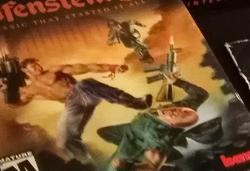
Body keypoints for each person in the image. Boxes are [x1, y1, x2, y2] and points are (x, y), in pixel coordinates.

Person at [10, 58, 149, 162]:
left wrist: (112, 67)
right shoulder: (29, 90)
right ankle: (88, 163)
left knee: (84, 83)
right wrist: (6, 89)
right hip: (72, 104)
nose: (37, 67)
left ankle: (135, 102)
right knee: (64, 139)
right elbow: (16, 103)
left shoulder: (55, 71)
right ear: (25, 71)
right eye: (32, 66)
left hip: (83, 92)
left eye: (37, 64)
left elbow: (86, 67)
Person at [99, 72, 220, 171]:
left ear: (173, 124)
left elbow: (153, 169)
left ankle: (159, 168)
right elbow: (201, 94)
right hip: (131, 126)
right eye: (180, 110)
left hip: (132, 141)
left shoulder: (160, 141)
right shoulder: (183, 108)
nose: (174, 111)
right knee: (103, 132)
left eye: (176, 116)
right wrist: (177, 82)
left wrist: (127, 167)